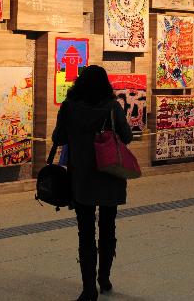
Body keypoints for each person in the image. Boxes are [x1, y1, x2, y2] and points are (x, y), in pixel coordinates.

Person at [52, 65, 133, 301]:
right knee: (108, 228)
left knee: (85, 232)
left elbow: (58, 138)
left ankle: (88, 289)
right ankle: (104, 278)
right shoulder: (111, 107)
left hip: (82, 179)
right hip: (110, 175)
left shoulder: (69, 107)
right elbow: (127, 136)